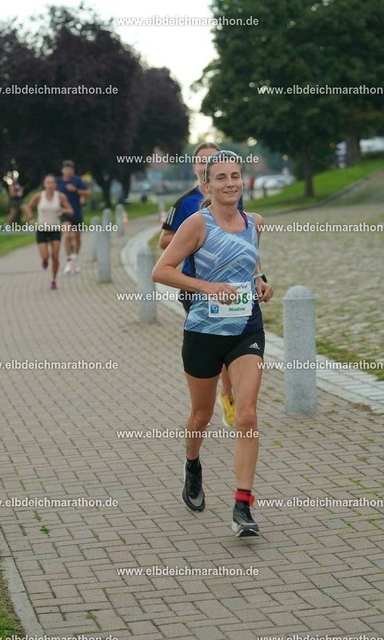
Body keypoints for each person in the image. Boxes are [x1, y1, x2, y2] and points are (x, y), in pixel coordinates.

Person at [152, 150, 273, 537]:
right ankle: (192, 463)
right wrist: (207, 287)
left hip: (246, 329)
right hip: (203, 333)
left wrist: (261, 280)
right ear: (207, 185)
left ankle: (243, 506)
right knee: (201, 415)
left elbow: (251, 261)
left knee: (247, 414)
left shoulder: (254, 222)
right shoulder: (196, 224)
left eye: (235, 176)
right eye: (220, 177)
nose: (230, 183)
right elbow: (161, 270)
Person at [159, 142, 243, 429]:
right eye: (203, 161)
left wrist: (259, 276)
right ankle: (204, 403)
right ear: (196, 168)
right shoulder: (184, 203)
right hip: (196, 288)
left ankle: (228, 395)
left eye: (213, 159)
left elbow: (246, 236)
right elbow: (164, 240)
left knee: (232, 343)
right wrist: (194, 237)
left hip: (230, 287)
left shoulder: (231, 195)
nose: (208, 164)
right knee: (212, 347)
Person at [25, 175, 74, 290]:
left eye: (52, 183)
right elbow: (28, 207)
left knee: (55, 256)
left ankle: (53, 279)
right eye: (48, 183)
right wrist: (30, 219)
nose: (50, 185)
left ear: (55, 184)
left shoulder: (60, 196)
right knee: (45, 256)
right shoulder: (39, 196)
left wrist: (63, 210)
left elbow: (71, 211)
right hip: (42, 229)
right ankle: (44, 260)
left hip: (55, 229)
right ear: (44, 184)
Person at [56, 160, 90, 274]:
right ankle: (69, 261)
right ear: (62, 170)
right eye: (66, 169)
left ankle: (75, 258)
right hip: (64, 214)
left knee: (77, 238)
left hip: (76, 213)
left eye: (70, 169)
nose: (68, 171)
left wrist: (76, 190)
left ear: (73, 171)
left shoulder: (77, 180)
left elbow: (87, 193)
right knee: (67, 236)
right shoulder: (58, 182)